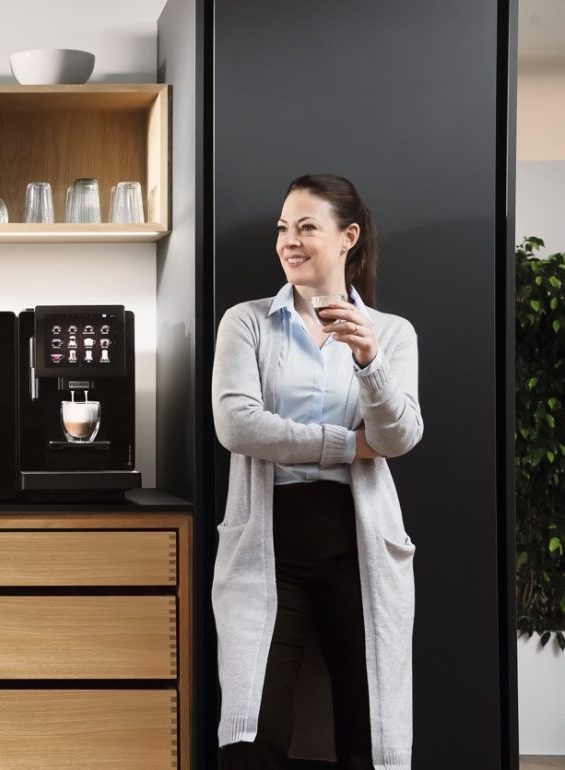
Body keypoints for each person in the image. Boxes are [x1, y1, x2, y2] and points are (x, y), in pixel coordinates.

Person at [211, 174, 423, 770]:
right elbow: (238, 426)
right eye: (284, 228)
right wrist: (344, 444)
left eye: (307, 227)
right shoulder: (246, 323)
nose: (289, 241)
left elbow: (397, 437)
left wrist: (369, 362)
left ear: (347, 236)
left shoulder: (391, 334)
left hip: (358, 544)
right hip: (266, 539)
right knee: (253, 730)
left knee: (368, 730)